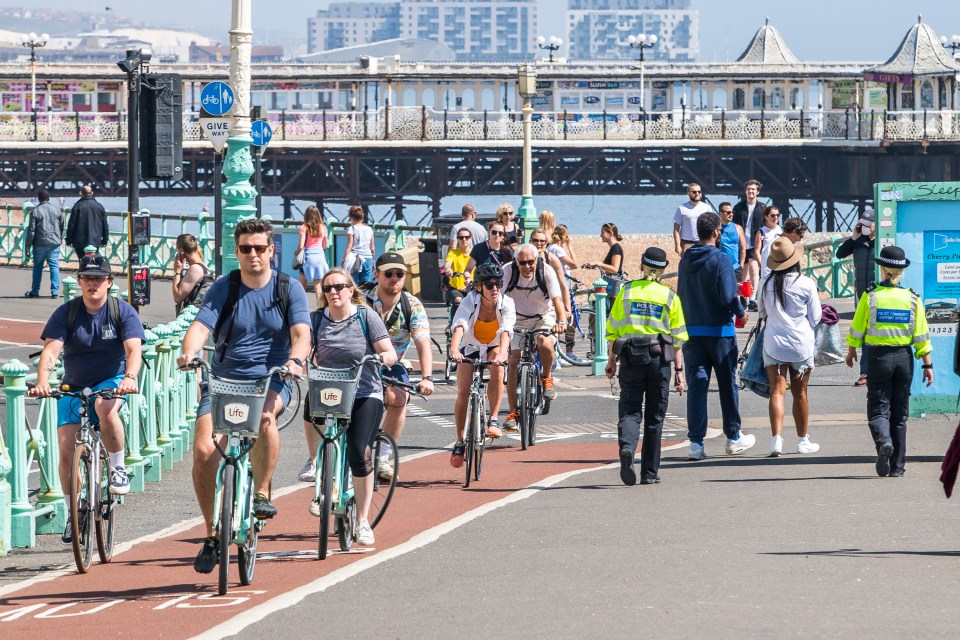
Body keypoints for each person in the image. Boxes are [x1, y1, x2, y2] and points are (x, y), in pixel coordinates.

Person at [177, 218, 311, 574]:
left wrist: (296, 361)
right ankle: (210, 534)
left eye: (260, 248)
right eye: (245, 249)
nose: (253, 254)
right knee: (204, 451)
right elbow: (200, 327)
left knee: (266, 417)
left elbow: (301, 333)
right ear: (236, 252)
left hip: (271, 379)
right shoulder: (224, 287)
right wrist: (189, 353)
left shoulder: (288, 288)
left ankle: (263, 493)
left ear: (271, 251)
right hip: (222, 378)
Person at [28, 254, 145, 543]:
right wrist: (43, 380)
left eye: (98, 278)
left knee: (105, 407)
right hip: (74, 385)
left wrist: (129, 378)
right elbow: (51, 351)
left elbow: (133, 351)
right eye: (86, 278)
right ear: (79, 281)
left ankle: (118, 468)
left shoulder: (123, 311)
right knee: (67, 452)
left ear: (109, 282)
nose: (92, 283)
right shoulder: (66, 312)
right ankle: (72, 513)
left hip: (112, 381)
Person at [301, 268, 398, 545]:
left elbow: (385, 348)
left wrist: (386, 357)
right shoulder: (316, 319)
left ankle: (363, 520)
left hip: (365, 391)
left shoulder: (366, 316)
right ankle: (315, 462)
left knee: (359, 453)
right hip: (330, 388)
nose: (334, 292)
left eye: (339, 287)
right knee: (310, 404)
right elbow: (305, 347)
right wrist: (299, 361)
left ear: (351, 289)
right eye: (328, 288)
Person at [845, 245, 933, 478]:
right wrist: (928, 364)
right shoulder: (912, 298)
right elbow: (921, 335)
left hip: (878, 358)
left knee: (877, 410)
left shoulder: (871, 296)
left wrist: (852, 350)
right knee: (900, 414)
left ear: (882, 270)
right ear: (901, 272)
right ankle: (897, 467)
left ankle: (884, 442)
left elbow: (857, 327)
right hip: (904, 359)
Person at [605, 247, 688, 486]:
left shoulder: (626, 292)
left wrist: (612, 361)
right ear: (662, 271)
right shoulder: (669, 296)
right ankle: (649, 472)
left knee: (630, 409)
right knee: (655, 416)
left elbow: (613, 330)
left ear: (642, 266)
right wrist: (679, 374)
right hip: (658, 359)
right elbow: (678, 338)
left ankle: (628, 447)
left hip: (630, 356)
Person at [677, 212, 755, 459]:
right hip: (720, 331)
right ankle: (733, 436)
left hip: (693, 331)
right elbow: (728, 296)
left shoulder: (686, 259)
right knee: (726, 384)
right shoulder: (720, 259)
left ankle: (696, 443)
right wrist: (740, 313)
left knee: (697, 384)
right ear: (717, 232)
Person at [363, 253, 434, 480]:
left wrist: (427, 377)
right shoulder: (361, 299)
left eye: (399, 274)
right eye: (389, 273)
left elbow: (422, 341)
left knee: (399, 398)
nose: (394, 278)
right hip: (362, 362)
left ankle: (383, 456)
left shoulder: (411, 305)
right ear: (377, 274)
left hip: (394, 364)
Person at [757, 237, 822, 457]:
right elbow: (815, 317)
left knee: (777, 391)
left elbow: (762, 313)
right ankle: (803, 440)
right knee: (800, 393)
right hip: (800, 344)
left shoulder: (766, 283)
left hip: (774, 343)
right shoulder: (806, 283)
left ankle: (776, 440)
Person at [449, 263, 515, 458]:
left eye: (498, 283)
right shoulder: (470, 301)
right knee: (462, 392)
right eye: (489, 284)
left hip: (494, 346)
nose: (495, 288)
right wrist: (454, 350)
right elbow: (459, 325)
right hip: (471, 347)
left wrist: (503, 353)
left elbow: (506, 330)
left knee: (499, 367)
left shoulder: (506, 303)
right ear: (479, 286)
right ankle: (460, 441)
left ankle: (493, 419)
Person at [501, 243, 567, 431]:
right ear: (516, 261)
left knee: (544, 343)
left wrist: (561, 322)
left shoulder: (546, 271)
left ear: (537, 260)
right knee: (513, 361)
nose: (527, 266)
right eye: (523, 263)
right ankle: (513, 413)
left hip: (543, 316)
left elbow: (557, 299)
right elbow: (498, 300)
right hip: (516, 318)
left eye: (531, 261)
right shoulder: (507, 271)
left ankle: (546, 377)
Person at [836, 208, 876, 387]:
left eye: (868, 224)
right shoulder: (858, 241)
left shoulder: (884, 241)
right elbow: (839, 254)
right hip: (863, 293)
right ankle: (866, 373)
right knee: (866, 334)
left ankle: (877, 372)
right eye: (863, 224)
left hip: (880, 293)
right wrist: (854, 236)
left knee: (877, 333)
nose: (865, 227)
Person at [732, 179, 767, 311]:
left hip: (754, 243)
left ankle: (752, 298)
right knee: (742, 272)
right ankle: (743, 297)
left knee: (754, 270)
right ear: (745, 191)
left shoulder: (762, 208)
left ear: (757, 192)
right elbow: (733, 224)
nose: (751, 191)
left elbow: (765, 226)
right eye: (749, 189)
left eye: (753, 189)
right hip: (741, 244)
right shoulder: (738, 207)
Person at [25, 190, 64, 299]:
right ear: (48, 198)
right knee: (54, 266)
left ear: (39, 199)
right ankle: (55, 292)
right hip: (54, 243)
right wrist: (59, 238)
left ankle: (35, 291)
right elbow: (61, 226)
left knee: (37, 267)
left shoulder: (35, 211)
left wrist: (27, 247)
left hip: (39, 243)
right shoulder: (57, 210)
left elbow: (31, 230)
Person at [172, 233, 214, 315]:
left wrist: (177, 272)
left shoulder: (195, 269)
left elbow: (177, 297)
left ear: (181, 251)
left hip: (193, 318)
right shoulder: (204, 267)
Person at [583, 222, 626, 303]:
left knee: (602, 309)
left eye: (602, 232)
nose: (600, 235)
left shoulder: (616, 248)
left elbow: (615, 269)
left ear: (610, 233)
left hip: (613, 287)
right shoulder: (613, 248)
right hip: (610, 284)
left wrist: (598, 263)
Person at [65, 185, 109, 260]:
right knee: (93, 262)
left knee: (82, 262)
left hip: (79, 241)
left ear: (81, 193)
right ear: (92, 193)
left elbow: (71, 225)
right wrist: (105, 240)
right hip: (95, 240)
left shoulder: (77, 206)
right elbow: (105, 225)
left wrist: (69, 240)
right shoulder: (99, 206)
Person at [673, 183, 713, 256]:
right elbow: (676, 229)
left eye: (699, 192)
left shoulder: (707, 208)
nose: (697, 194)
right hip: (686, 244)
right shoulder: (681, 208)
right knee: (687, 266)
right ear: (688, 193)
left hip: (703, 243)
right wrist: (677, 245)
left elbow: (712, 227)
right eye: (694, 192)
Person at [296, 205, 330, 289]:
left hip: (308, 257)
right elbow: (325, 245)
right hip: (319, 257)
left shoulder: (304, 227)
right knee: (318, 284)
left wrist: (296, 253)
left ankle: (301, 302)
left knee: (302, 285)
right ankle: (320, 302)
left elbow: (301, 245)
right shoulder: (323, 227)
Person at [341, 205, 375, 285]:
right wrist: (373, 260)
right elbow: (372, 247)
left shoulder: (352, 228)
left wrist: (344, 260)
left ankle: (355, 297)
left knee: (354, 283)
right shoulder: (369, 229)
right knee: (365, 284)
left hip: (356, 258)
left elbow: (349, 246)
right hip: (368, 258)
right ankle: (363, 297)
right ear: (362, 217)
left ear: (352, 218)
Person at [442, 228, 473, 307]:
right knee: (458, 299)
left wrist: (467, 285)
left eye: (467, 237)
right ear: (457, 239)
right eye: (461, 237)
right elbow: (447, 263)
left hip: (472, 288)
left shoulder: (474, 253)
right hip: (455, 289)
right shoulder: (453, 253)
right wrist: (448, 269)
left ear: (471, 238)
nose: (464, 239)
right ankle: (455, 319)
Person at [717, 201, 746, 282]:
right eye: (728, 212)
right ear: (721, 213)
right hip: (720, 268)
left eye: (732, 212)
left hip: (736, 268)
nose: (731, 214)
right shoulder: (716, 229)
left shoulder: (738, 228)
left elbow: (743, 249)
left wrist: (741, 266)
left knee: (735, 294)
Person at [754, 206, 783, 284]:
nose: (776, 217)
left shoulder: (780, 230)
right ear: (766, 217)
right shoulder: (761, 232)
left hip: (779, 265)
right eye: (773, 215)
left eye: (777, 215)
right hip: (766, 267)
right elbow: (757, 251)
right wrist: (762, 266)